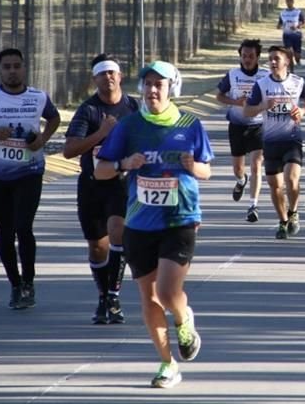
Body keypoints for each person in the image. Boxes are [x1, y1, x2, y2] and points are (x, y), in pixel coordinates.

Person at [94, 60, 211, 388]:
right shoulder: (129, 126)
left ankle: (184, 316)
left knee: (166, 290)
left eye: (159, 84)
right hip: (140, 223)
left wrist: (192, 167)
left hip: (180, 218)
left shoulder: (190, 124)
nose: (152, 90)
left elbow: (206, 171)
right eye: (147, 84)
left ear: (172, 88)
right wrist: (123, 163)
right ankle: (167, 364)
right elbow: (100, 170)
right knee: (148, 297)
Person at [0, 48, 62, 310]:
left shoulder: (38, 97)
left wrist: (42, 139)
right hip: (0, 175)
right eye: (7, 66)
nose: (12, 71)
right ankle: (15, 285)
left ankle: (29, 283)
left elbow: (54, 118)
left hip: (30, 172)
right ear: (0, 70)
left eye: (17, 65)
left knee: (23, 226)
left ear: (24, 68)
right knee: (5, 235)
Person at [63, 53, 140, 324]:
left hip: (121, 183)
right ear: (94, 79)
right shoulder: (88, 110)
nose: (108, 77)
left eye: (112, 72)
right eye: (102, 73)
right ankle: (102, 297)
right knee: (98, 247)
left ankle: (114, 295)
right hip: (92, 185)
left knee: (118, 232)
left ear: (120, 76)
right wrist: (101, 134)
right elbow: (69, 151)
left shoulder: (133, 107)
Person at [244, 46, 305, 239]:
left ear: (287, 62)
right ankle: (283, 221)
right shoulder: (262, 84)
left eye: (277, 59)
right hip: (271, 142)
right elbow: (247, 111)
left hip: (292, 140)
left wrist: (302, 111)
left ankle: (293, 212)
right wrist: (262, 106)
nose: (273, 62)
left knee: (291, 179)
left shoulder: (297, 82)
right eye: (270, 59)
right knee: (275, 185)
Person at [215, 39, 269, 223]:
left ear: (257, 57)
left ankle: (253, 205)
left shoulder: (265, 75)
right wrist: (235, 102)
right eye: (244, 56)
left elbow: (274, 96)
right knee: (238, 169)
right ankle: (240, 181)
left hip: (259, 125)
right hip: (237, 125)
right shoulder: (233, 74)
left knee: (256, 165)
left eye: (251, 56)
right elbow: (219, 96)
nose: (247, 59)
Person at [277, 0, 305, 66]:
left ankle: (298, 60)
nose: (288, 2)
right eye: (287, 1)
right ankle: (291, 68)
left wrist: (297, 27)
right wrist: (279, 26)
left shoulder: (298, 12)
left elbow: (304, 23)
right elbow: (279, 23)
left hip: (296, 35)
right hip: (287, 35)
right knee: (289, 52)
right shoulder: (283, 13)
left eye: (290, 1)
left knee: (297, 55)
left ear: (293, 1)